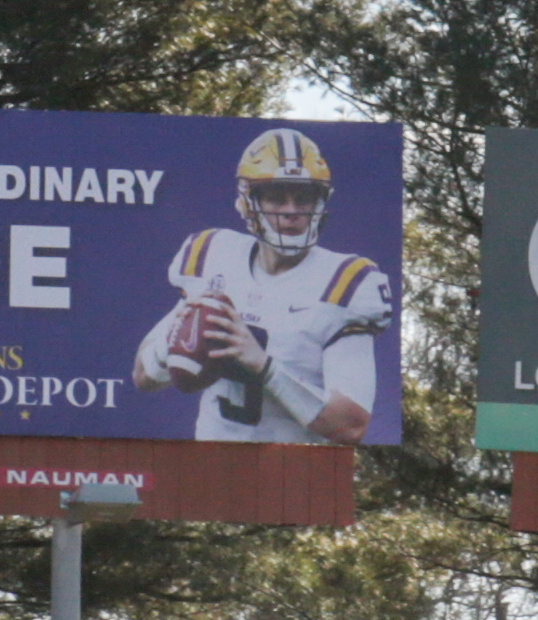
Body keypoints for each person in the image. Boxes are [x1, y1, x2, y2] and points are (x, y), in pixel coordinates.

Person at [133, 128, 393, 444]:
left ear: (321, 202)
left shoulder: (346, 283)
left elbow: (351, 426)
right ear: (247, 203)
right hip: (211, 464)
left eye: (303, 198)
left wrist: (264, 367)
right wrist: (177, 342)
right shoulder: (213, 255)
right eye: (275, 197)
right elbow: (143, 377)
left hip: (296, 475)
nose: (291, 211)